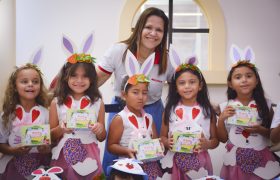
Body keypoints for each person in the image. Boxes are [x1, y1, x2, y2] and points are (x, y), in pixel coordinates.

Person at [96, 7, 173, 173]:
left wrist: (206, 105)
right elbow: (96, 79)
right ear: (139, 27)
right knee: (116, 162)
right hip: (122, 113)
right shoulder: (119, 51)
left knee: (150, 163)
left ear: (164, 34)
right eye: (149, 27)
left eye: (159, 30)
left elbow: (182, 86)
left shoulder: (165, 58)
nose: (153, 33)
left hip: (153, 114)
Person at [217, 44, 280, 179]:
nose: (244, 80)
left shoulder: (266, 105)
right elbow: (222, 139)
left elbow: (273, 136)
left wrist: (259, 130)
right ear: (230, 84)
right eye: (238, 77)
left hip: (262, 159)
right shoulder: (225, 106)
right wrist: (221, 119)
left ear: (256, 81)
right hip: (235, 161)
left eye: (249, 76)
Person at [49, 35, 106, 179]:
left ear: (92, 79)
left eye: (85, 76)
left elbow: (102, 137)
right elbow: (49, 136)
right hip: (63, 155)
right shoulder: (56, 102)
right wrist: (61, 129)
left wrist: (100, 129)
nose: (79, 80)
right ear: (66, 77)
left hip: (90, 154)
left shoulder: (97, 102)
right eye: (74, 76)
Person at [160, 46, 219, 179]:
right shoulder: (169, 110)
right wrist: (166, 142)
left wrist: (208, 144)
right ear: (175, 88)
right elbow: (162, 136)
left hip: (201, 162)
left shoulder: (207, 110)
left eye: (192, 82)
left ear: (200, 85)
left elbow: (215, 140)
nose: (187, 86)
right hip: (175, 162)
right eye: (182, 83)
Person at [107, 50, 163, 179]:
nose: (141, 97)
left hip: (150, 168)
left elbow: (155, 141)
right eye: (135, 92)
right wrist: (127, 151)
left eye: (144, 93)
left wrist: (159, 145)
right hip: (129, 169)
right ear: (124, 95)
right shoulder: (120, 119)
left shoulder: (149, 118)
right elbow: (111, 146)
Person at [0, 63, 51, 179]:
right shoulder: (7, 115)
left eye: (35, 81)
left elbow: (51, 143)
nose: (30, 85)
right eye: (24, 81)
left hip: (40, 167)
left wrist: (46, 148)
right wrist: (13, 150)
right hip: (14, 167)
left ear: (40, 85)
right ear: (15, 87)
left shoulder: (46, 113)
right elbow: (1, 143)